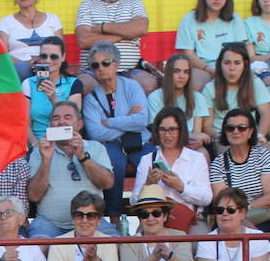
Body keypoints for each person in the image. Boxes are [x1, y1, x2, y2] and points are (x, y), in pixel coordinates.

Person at [27, 101, 114, 237]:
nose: (61, 122)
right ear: (51, 126)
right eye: (56, 118)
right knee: (39, 250)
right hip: (51, 224)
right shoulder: (39, 152)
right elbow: (34, 195)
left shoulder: (95, 147)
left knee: (119, 246)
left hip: (91, 221)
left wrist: (82, 156)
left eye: (67, 117)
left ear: (79, 125)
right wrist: (46, 160)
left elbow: (107, 183)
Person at [82, 43, 148, 218]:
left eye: (105, 63)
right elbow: (96, 132)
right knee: (113, 165)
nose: (101, 68)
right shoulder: (90, 98)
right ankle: (113, 216)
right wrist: (128, 120)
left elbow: (142, 120)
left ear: (116, 65)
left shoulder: (132, 86)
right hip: (110, 144)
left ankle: (151, 213)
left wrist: (110, 122)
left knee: (151, 162)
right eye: (95, 65)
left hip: (139, 140)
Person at [74, 0, 154, 92]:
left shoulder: (135, 2)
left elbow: (141, 29)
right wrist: (127, 32)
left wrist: (103, 27)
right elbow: (83, 40)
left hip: (130, 69)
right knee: (83, 84)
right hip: (93, 70)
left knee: (149, 84)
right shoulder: (86, 4)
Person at [132, 106, 210, 221]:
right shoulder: (147, 159)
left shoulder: (197, 158)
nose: (167, 135)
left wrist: (182, 187)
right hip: (155, 220)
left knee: (201, 237)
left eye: (172, 129)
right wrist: (148, 184)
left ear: (181, 130)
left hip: (188, 220)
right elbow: (134, 201)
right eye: (162, 129)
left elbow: (206, 198)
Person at [208, 108, 270, 228]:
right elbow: (220, 201)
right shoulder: (218, 164)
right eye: (230, 128)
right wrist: (239, 216)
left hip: (263, 217)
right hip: (230, 219)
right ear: (225, 131)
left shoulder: (263, 156)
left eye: (242, 128)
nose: (236, 131)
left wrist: (245, 210)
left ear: (250, 132)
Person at [176, 0, 249, 89]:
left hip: (230, 66)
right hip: (202, 68)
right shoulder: (188, 19)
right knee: (196, 84)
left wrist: (227, 69)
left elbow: (239, 51)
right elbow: (188, 54)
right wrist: (210, 70)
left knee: (253, 82)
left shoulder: (235, 19)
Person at [0, 0, 63, 82]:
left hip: (49, 65)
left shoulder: (53, 19)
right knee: (21, 69)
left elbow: (60, 50)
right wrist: (27, 63)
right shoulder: (5, 22)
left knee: (45, 69)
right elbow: (2, 55)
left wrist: (43, 60)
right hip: (19, 70)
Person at [202, 43, 270, 142]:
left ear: (246, 64)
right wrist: (219, 137)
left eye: (237, 63)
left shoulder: (255, 83)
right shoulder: (210, 88)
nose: (232, 68)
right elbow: (207, 125)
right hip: (223, 138)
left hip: (250, 136)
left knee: (267, 155)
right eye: (227, 63)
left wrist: (259, 137)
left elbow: (266, 114)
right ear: (220, 64)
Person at [22, 37, 83, 144]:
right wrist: (35, 145)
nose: (48, 61)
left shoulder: (73, 83)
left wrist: (54, 99)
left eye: (54, 56)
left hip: (64, 141)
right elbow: (24, 123)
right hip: (38, 142)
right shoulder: (28, 83)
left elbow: (73, 121)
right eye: (44, 56)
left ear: (63, 57)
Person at [147, 53, 211, 150]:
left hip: (190, 145)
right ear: (168, 73)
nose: (182, 76)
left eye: (186, 72)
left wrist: (197, 141)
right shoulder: (154, 97)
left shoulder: (198, 98)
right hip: (164, 144)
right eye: (177, 71)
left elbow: (196, 132)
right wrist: (192, 136)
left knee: (202, 153)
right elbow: (157, 132)